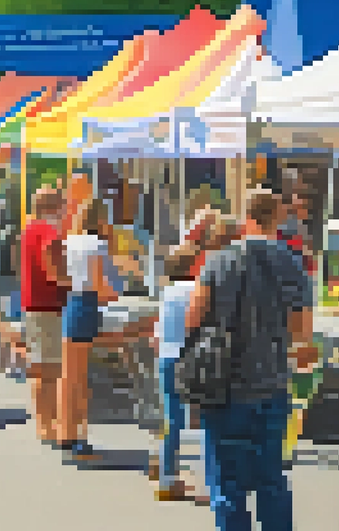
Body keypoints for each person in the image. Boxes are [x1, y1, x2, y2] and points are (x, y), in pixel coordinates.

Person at [185, 190, 316, 531]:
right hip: (272, 382)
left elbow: (193, 319)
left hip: (223, 384)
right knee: (271, 477)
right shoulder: (292, 260)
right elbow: (302, 329)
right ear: (277, 219)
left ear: (246, 217)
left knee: (227, 483)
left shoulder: (217, 261)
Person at [156, 211, 237, 502]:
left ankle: (167, 477)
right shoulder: (196, 290)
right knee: (205, 421)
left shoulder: (167, 293)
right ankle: (209, 482)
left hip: (166, 359)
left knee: (173, 421)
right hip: (193, 360)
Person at [58, 199, 119, 460]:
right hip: (87, 305)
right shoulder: (98, 245)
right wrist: (115, 294)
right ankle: (81, 438)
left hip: (71, 303)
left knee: (68, 375)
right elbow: (99, 283)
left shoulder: (69, 242)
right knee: (81, 377)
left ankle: (65, 432)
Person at [20, 188, 69, 447]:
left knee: (41, 367)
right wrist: (72, 281)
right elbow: (52, 270)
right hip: (48, 305)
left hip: (32, 304)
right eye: (63, 204)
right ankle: (47, 425)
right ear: (54, 206)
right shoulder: (49, 232)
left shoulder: (29, 229)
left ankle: (43, 422)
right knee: (51, 369)